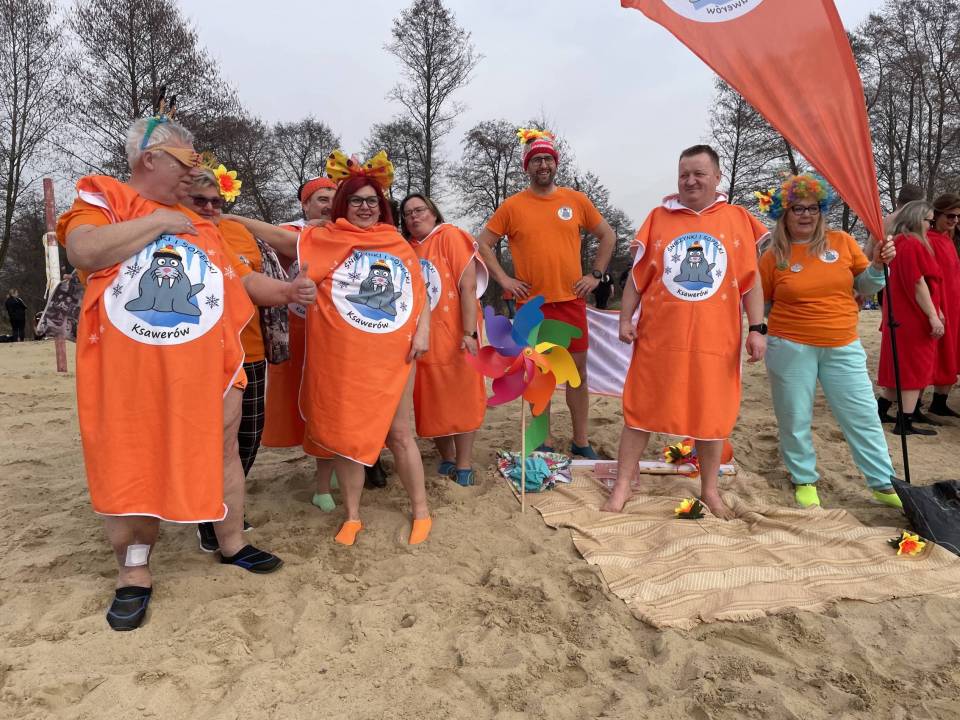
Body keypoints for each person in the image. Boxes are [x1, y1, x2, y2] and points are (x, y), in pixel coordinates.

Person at [56, 113, 313, 630]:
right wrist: (159, 223)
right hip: (131, 370)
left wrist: (286, 291)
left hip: (208, 367)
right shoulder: (105, 198)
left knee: (225, 452)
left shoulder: (202, 223)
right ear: (150, 159)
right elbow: (84, 250)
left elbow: (238, 281)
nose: (194, 172)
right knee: (132, 458)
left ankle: (231, 542)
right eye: (185, 161)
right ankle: (134, 572)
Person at [228, 151, 432, 546]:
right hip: (344, 358)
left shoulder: (396, 242)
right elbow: (279, 237)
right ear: (344, 204)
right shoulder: (325, 238)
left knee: (400, 433)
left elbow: (419, 296)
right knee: (346, 437)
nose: (365, 207)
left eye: (372, 200)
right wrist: (230, 218)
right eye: (356, 200)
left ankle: (421, 509)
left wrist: (422, 333)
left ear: (382, 205)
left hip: (395, 355)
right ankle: (352, 515)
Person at [602, 145, 768, 519]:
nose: (690, 181)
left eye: (699, 174)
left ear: (717, 177)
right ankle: (622, 486)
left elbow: (751, 282)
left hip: (716, 340)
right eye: (684, 175)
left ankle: (710, 490)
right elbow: (636, 280)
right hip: (660, 339)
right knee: (640, 410)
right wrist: (625, 319)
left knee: (713, 415)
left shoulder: (737, 219)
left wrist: (757, 328)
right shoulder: (658, 218)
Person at [756, 174, 901, 509]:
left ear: (822, 210)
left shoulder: (842, 242)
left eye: (813, 208)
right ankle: (804, 478)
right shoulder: (773, 255)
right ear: (784, 213)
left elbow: (867, 286)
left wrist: (879, 265)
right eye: (798, 208)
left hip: (843, 343)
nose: (806, 215)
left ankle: (883, 482)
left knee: (862, 415)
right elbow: (761, 304)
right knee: (794, 417)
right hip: (790, 346)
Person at [476, 129, 616, 458]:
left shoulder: (575, 200)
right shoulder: (512, 206)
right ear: (527, 166)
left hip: (571, 303)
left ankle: (581, 441)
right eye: (536, 159)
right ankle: (544, 440)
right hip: (532, 307)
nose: (543, 165)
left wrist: (595, 275)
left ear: (556, 164)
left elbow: (608, 236)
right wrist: (504, 279)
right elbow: (483, 243)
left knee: (577, 375)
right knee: (539, 375)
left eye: (548, 159)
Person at [186, 166, 290, 550]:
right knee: (212, 441)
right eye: (200, 200)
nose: (210, 207)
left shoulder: (240, 233)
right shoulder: (172, 234)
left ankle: (225, 505)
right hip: (200, 356)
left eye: (216, 201)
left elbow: (252, 281)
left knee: (248, 437)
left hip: (250, 349)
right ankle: (209, 516)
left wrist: (289, 290)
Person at [400, 193, 487, 486]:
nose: (414, 216)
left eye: (419, 210)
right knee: (432, 399)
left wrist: (469, 332)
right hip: (424, 338)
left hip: (456, 333)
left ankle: (464, 462)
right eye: (408, 213)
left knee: (462, 396)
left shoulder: (450, 236)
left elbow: (468, 286)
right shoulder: (406, 248)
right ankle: (447, 456)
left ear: (434, 212)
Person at [876, 200, 943, 436]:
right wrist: (933, 315)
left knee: (899, 368)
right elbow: (918, 283)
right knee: (914, 369)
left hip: (899, 315)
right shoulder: (913, 244)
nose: (930, 226)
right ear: (917, 220)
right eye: (928, 221)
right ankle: (903, 422)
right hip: (913, 317)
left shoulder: (897, 243)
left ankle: (881, 411)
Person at [925, 193, 960, 418]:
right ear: (937, 214)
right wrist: (934, 307)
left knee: (951, 350)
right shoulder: (927, 239)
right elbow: (925, 277)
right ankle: (912, 405)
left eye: (957, 217)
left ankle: (939, 402)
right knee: (935, 351)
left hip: (954, 302)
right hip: (940, 302)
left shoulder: (948, 238)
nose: (954, 220)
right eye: (950, 216)